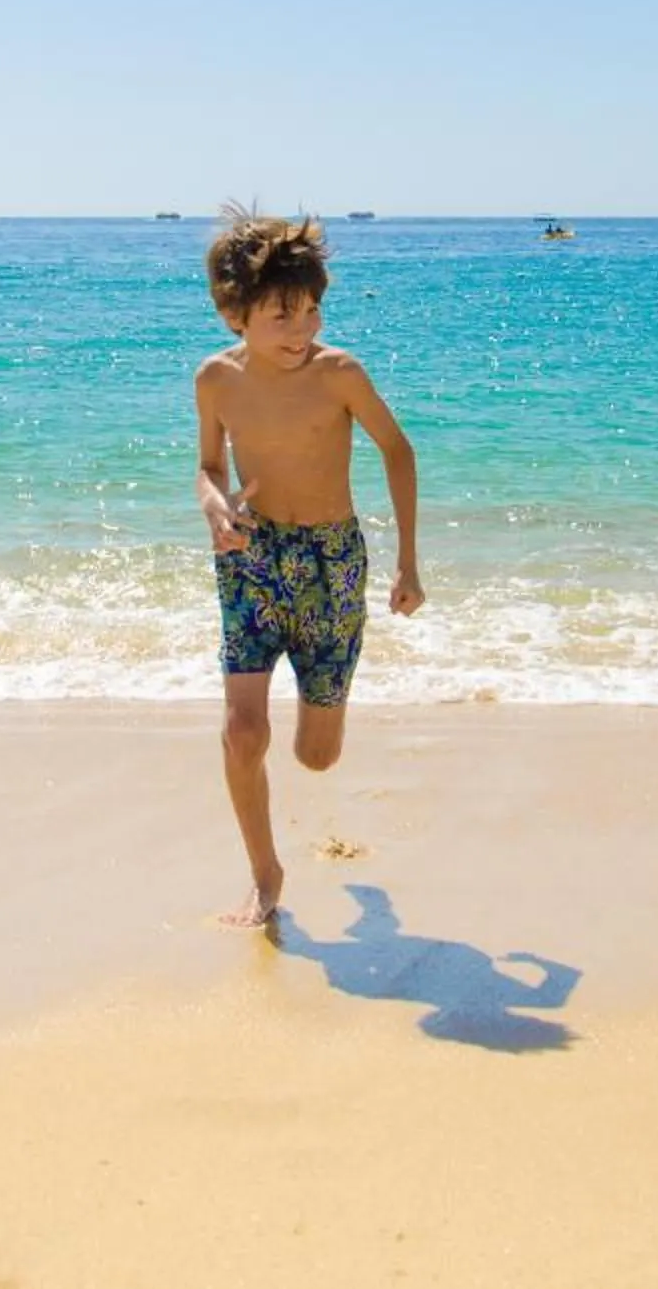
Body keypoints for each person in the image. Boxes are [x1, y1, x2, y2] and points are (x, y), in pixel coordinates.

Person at [194, 207, 422, 928]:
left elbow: (398, 450)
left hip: (331, 561)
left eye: (311, 312)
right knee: (242, 731)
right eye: (282, 316)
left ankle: (321, 715)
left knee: (316, 757)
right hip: (252, 556)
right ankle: (265, 874)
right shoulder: (216, 380)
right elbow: (208, 467)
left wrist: (408, 563)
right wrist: (215, 506)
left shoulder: (338, 374)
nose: (302, 331)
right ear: (235, 315)